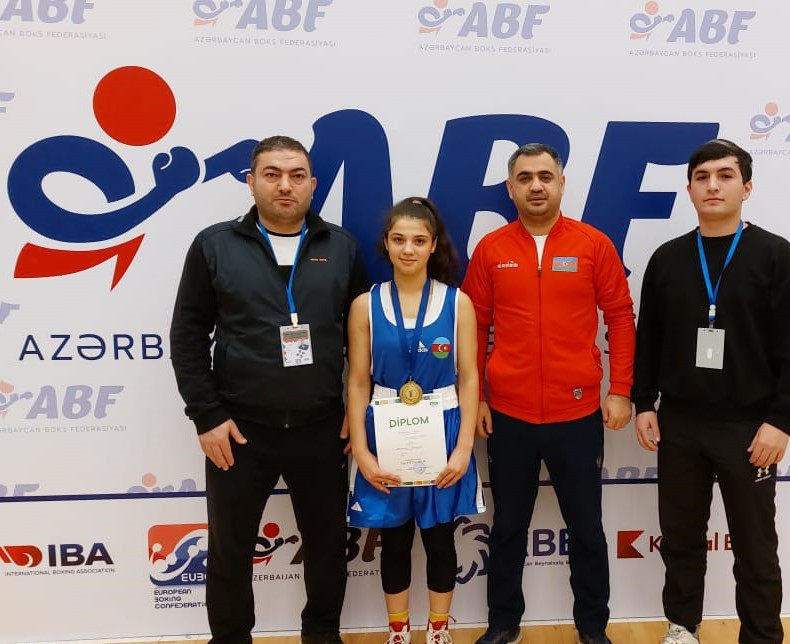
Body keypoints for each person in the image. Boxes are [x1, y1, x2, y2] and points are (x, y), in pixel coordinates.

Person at [169, 135, 369, 644]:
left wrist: (357, 412)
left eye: (297, 175)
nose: (285, 185)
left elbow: (364, 339)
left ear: (312, 184)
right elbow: (187, 335)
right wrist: (207, 415)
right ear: (251, 181)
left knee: (327, 545)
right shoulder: (214, 245)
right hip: (239, 430)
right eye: (272, 174)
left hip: (322, 427)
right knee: (231, 548)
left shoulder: (341, 247)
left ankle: (321, 636)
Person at [632, 139, 790, 644]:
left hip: (750, 428)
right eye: (702, 177)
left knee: (755, 546)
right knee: (681, 539)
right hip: (681, 425)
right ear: (689, 189)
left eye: (725, 175)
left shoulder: (776, 256)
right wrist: (644, 402)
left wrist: (781, 420)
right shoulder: (668, 259)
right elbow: (649, 338)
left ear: (747, 187)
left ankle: (761, 636)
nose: (713, 185)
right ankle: (682, 628)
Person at [461, 143, 636, 644]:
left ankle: (592, 627)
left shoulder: (593, 245)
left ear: (561, 183)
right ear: (510, 187)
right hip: (509, 416)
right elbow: (473, 325)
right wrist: (479, 399)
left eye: (544, 176)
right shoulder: (491, 249)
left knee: (586, 529)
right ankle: (503, 624)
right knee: (508, 527)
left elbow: (620, 318)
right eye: (524, 178)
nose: (535, 185)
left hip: (576, 415)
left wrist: (621, 390)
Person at [345, 197, 483, 644]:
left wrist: (463, 448)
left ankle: (439, 631)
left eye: (419, 240)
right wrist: (362, 451)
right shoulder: (365, 305)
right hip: (385, 431)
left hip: (442, 429)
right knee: (395, 538)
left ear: (433, 245)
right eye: (399, 239)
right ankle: (399, 632)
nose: (408, 249)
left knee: (440, 538)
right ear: (386, 243)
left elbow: (469, 377)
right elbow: (358, 381)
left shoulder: (457, 303)